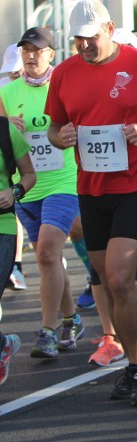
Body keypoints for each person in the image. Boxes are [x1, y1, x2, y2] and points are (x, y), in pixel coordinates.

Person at [45, 0, 137, 405]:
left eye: (91, 38)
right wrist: (64, 137)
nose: (85, 46)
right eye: (78, 40)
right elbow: (55, 127)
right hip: (92, 191)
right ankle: (132, 364)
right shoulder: (64, 74)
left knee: (119, 276)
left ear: (109, 29)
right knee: (107, 280)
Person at [0, 28, 86, 360]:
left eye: (38, 50)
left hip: (64, 181)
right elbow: (3, 141)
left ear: (52, 54)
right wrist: (11, 130)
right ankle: (72, 318)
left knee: (49, 251)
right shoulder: (8, 93)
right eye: (25, 51)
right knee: (46, 258)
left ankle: (48, 331)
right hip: (29, 184)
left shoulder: (65, 87)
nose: (31, 56)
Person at [0, 107, 36, 385]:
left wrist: (13, 193)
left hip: (2, 227)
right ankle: (3, 345)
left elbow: (28, 176)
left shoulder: (6, 130)